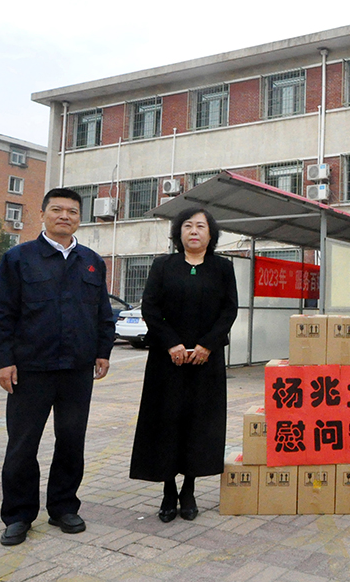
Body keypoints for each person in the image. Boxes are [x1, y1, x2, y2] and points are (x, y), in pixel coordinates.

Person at [0, 188, 115, 547]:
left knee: (71, 441)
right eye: (57, 209)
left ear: (79, 218)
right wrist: (3, 361)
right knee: (22, 445)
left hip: (77, 370)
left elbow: (102, 312)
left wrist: (103, 350)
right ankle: (18, 515)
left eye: (72, 211)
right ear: (42, 214)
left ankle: (63, 507)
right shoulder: (18, 258)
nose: (64, 216)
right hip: (31, 369)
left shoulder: (91, 261)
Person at [129, 207, 238, 522]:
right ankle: (168, 490)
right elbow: (150, 307)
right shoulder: (163, 266)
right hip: (167, 361)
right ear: (179, 232)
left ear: (210, 234)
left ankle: (189, 489)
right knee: (165, 422)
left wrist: (207, 345)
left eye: (201, 226)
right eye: (188, 225)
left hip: (206, 361)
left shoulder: (222, 268)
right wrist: (171, 343)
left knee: (199, 424)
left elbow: (229, 310)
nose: (194, 231)